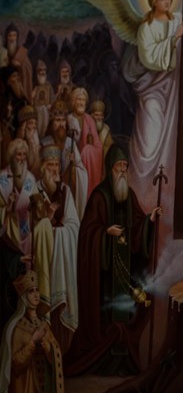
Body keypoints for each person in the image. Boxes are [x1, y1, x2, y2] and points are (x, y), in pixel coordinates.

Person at [64, 144, 161, 376]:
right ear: (110, 168)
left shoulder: (129, 196)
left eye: (125, 166)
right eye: (119, 165)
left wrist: (149, 220)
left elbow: (138, 225)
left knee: (125, 312)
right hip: (104, 274)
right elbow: (87, 233)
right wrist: (105, 233)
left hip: (125, 270)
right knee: (108, 315)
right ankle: (104, 363)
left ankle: (123, 363)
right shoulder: (99, 197)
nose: (123, 170)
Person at [0, 271, 75, 393]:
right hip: (24, 388)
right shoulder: (16, 327)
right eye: (31, 291)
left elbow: (55, 351)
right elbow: (15, 362)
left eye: (36, 290)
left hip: (42, 386)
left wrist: (47, 345)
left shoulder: (44, 324)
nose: (35, 295)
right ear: (23, 297)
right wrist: (33, 342)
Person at [124, 0, 183, 192]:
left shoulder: (177, 20)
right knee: (150, 138)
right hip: (151, 89)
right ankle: (143, 187)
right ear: (154, 0)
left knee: (173, 136)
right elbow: (149, 59)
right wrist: (174, 39)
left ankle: (166, 187)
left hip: (172, 87)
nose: (167, 1)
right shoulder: (146, 28)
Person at [33, 144, 80, 353]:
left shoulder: (65, 191)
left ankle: (63, 353)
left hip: (61, 258)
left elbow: (74, 225)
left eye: (56, 165)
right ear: (43, 168)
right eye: (50, 165)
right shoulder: (35, 190)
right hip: (43, 258)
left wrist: (58, 232)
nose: (54, 170)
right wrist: (48, 220)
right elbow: (32, 227)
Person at [42, 100, 88, 220]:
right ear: (51, 123)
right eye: (57, 120)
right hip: (49, 188)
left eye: (63, 120)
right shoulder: (44, 143)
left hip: (66, 190)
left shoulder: (70, 143)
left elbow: (82, 171)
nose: (61, 124)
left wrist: (74, 163)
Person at [0, 138, 37, 258]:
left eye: (24, 154)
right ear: (12, 156)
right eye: (19, 154)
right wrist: (8, 207)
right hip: (8, 230)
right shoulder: (2, 178)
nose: (22, 158)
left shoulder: (30, 178)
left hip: (26, 226)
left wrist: (34, 207)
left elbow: (37, 203)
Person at [67, 86, 103, 198]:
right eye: (79, 99)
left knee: (88, 150)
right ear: (74, 101)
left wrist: (89, 151)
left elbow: (98, 144)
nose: (81, 103)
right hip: (71, 157)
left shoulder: (89, 119)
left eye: (83, 100)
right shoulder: (69, 119)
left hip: (87, 160)